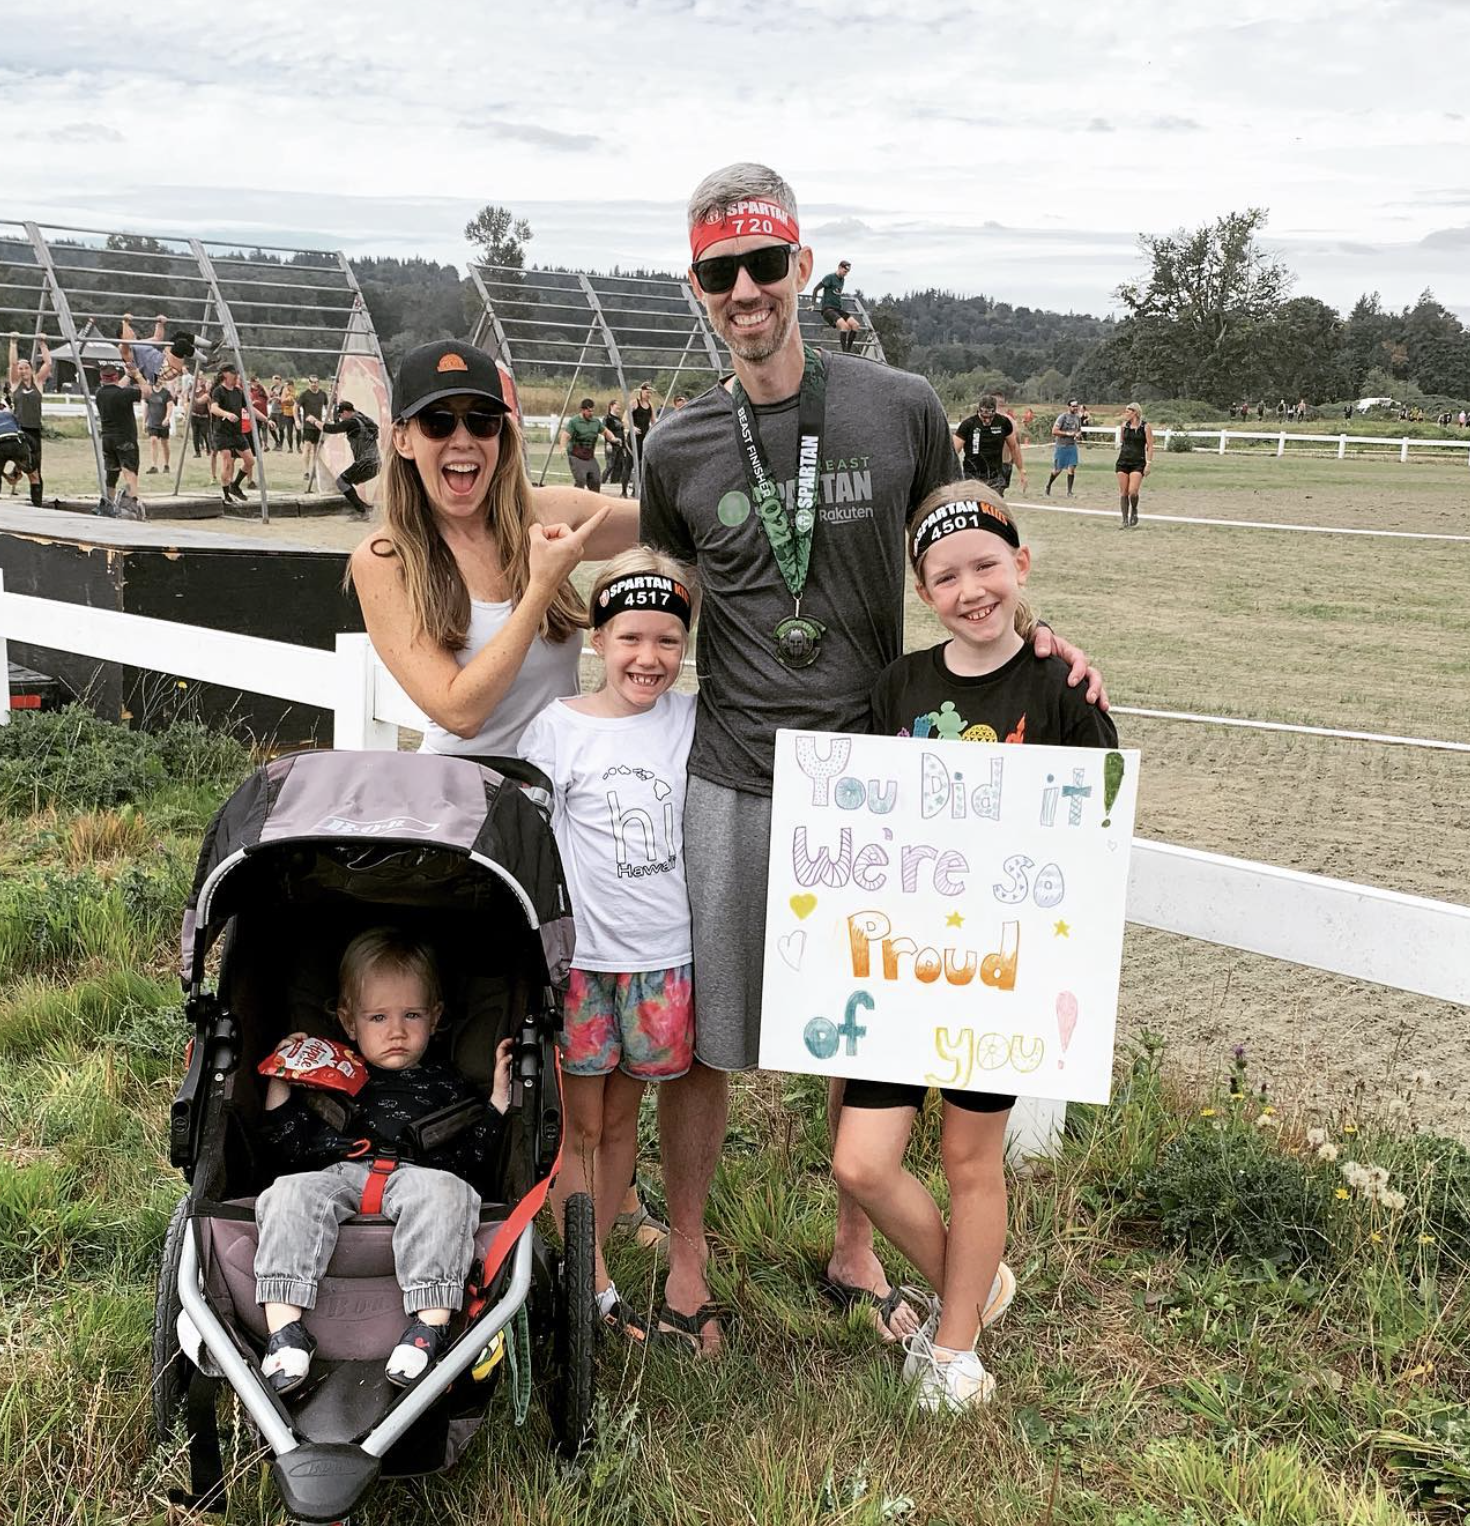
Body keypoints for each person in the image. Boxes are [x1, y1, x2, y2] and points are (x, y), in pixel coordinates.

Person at [639, 161, 1106, 1354]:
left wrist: (1033, 642)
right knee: (704, 1040)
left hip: (880, 786)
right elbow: (661, 600)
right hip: (734, 769)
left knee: (862, 1024)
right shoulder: (678, 441)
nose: (745, 291)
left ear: (802, 263)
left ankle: (854, 1253)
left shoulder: (898, 404)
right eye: (718, 273)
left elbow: (963, 557)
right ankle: (687, 1264)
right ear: (696, 288)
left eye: (763, 263)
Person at [833, 482, 1118, 1411]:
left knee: (969, 1161)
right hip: (904, 964)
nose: (971, 589)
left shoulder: (1059, 686)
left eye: (987, 566)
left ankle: (954, 1354)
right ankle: (977, 1279)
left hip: (1002, 969)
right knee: (862, 1161)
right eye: (946, 575)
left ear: (1020, 566)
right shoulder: (899, 689)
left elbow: (1099, 821)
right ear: (924, 590)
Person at [521, 548, 699, 1343]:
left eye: (668, 641)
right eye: (630, 638)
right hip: (584, 962)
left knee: (625, 1117)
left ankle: (597, 1247)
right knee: (579, 1127)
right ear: (596, 638)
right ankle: (588, 1284)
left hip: (662, 960)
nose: (649, 658)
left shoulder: (692, 721)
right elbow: (529, 840)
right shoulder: (558, 730)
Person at [254, 928, 515, 1393]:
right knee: (286, 1192)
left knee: (450, 1192)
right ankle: (285, 1332)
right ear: (349, 1022)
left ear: (435, 1017)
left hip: (420, 1176)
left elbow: (475, 1157)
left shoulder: (447, 1084)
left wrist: (497, 1099)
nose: (396, 1031)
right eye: (378, 1017)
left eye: (411, 1014)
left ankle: (427, 1328)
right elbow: (291, 1148)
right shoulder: (332, 1074)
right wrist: (284, 1079)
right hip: (337, 1173)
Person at [7, 333, 51, 507]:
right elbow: (12, 363)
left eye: (26, 368)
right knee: (19, 455)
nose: (22, 370)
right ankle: (15, 470)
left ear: (31, 370)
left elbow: (48, 363)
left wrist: (42, 344)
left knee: (36, 470)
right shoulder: (16, 384)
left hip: (34, 430)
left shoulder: (38, 383)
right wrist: (13, 343)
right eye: (20, 368)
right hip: (19, 429)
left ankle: (37, 503)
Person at [953, 394, 1026, 496]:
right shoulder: (968, 425)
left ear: (995, 411)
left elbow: (1013, 447)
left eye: (990, 417)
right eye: (984, 417)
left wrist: (1021, 470)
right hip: (972, 476)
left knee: (992, 507)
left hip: (995, 477)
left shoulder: (1003, 423)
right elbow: (954, 451)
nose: (987, 420)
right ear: (978, 411)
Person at [320, 400, 381, 519]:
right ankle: (364, 508)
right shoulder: (363, 418)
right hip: (376, 463)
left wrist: (314, 421)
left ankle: (362, 512)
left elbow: (330, 429)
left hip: (365, 462)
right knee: (347, 482)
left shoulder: (352, 423)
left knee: (342, 482)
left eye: (341, 415)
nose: (341, 418)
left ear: (347, 412)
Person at [208, 362, 256, 505]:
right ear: (225, 375)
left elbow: (250, 408)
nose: (236, 376)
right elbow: (213, 408)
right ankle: (226, 494)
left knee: (250, 461)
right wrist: (227, 414)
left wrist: (266, 419)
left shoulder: (238, 391)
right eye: (233, 373)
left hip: (237, 432)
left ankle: (234, 486)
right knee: (227, 461)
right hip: (222, 432)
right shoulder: (218, 391)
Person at [1114, 403, 1154, 528]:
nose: (1125, 413)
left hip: (1138, 462)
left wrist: (1148, 463)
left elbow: (1150, 446)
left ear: (1135, 412)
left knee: (1133, 491)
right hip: (1123, 461)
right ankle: (1125, 519)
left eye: (1128, 411)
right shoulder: (1124, 426)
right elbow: (1122, 441)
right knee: (1123, 492)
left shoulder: (1145, 426)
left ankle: (1134, 510)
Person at [561, 398, 612, 492]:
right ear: (583, 410)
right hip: (576, 455)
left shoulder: (596, 422)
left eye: (592, 411)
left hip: (589, 456)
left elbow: (605, 432)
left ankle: (593, 502)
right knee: (580, 480)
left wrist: (613, 439)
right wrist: (563, 448)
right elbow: (565, 435)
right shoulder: (574, 421)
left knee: (596, 480)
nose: (591, 413)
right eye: (589, 411)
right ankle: (577, 500)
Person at [812, 259, 860, 353]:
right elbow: (815, 289)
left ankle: (848, 351)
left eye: (847, 272)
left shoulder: (842, 280)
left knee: (855, 325)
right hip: (828, 309)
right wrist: (813, 304)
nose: (845, 274)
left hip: (838, 309)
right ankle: (844, 352)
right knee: (844, 326)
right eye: (845, 271)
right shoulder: (829, 277)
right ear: (839, 267)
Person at [1045, 398, 1083, 497]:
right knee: (1057, 470)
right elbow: (1054, 431)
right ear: (1068, 407)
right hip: (1062, 446)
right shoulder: (1063, 417)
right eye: (1073, 406)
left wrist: (1078, 434)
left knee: (1071, 468)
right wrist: (1067, 433)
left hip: (1072, 446)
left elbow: (1078, 430)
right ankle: (1048, 485)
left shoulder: (1077, 418)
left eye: (1077, 406)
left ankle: (1069, 491)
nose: (1075, 408)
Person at [299, 374, 330, 487]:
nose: (314, 384)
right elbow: (295, 407)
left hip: (318, 425)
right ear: (309, 383)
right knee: (307, 447)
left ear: (318, 383)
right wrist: (297, 421)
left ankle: (314, 471)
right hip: (308, 425)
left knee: (317, 450)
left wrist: (329, 418)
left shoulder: (323, 394)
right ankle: (306, 472)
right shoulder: (305, 394)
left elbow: (327, 406)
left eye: (316, 382)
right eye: (312, 382)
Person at [601, 399, 634, 497]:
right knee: (610, 465)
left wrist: (624, 445)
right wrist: (608, 443)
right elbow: (605, 431)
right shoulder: (607, 418)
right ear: (611, 406)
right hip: (612, 445)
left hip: (621, 446)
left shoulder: (619, 419)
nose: (619, 407)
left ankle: (614, 484)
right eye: (617, 405)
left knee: (622, 466)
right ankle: (601, 483)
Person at [144, 380, 173, 475]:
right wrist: (144, 422)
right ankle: (154, 465)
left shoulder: (166, 393)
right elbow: (146, 408)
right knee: (153, 441)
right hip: (152, 423)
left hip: (163, 423)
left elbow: (169, 407)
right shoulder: (149, 392)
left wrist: (167, 418)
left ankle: (166, 464)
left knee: (164, 444)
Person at [190, 376, 212, 462]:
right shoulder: (193, 391)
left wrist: (192, 397)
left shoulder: (205, 393)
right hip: (194, 416)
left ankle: (208, 448)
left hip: (204, 417)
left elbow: (200, 401)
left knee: (204, 433)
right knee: (195, 434)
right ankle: (197, 452)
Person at [280, 379, 298, 452]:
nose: (286, 387)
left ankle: (298, 446)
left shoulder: (296, 391)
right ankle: (290, 448)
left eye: (287, 385)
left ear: (292, 385)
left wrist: (293, 399)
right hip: (287, 413)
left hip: (296, 413)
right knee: (289, 431)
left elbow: (298, 401)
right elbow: (282, 401)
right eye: (286, 385)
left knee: (298, 430)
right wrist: (287, 399)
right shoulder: (284, 391)